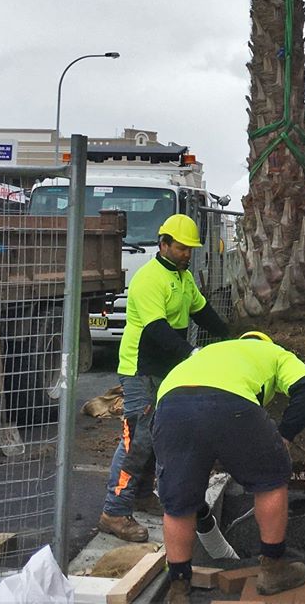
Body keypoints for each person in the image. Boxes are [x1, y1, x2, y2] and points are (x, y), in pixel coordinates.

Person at [152, 332, 305, 603]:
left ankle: (179, 588)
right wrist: (285, 434)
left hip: (171, 406)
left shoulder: (212, 351)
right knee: (271, 479)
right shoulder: (276, 353)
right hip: (232, 402)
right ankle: (273, 569)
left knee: (178, 503)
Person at [98, 213, 230, 542]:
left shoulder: (183, 278)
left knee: (157, 435)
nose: (187, 254)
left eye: (190, 249)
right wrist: (191, 352)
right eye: (182, 248)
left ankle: (142, 495)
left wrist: (231, 336)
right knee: (137, 440)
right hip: (140, 369)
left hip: (165, 371)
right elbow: (157, 329)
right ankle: (114, 512)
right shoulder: (149, 279)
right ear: (164, 244)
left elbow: (202, 311)